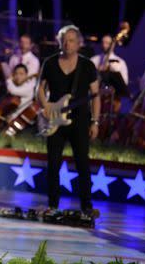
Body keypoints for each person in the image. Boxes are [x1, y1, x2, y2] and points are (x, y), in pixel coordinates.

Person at [36, 25, 100, 215]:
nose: (67, 43)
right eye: (64, 39)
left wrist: (95, 122)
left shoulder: (87, 66)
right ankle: (53, 204)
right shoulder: (49, 62)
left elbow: (96, 95)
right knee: (53, 163)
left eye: (71, 40)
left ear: (79, 43)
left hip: (80, 120)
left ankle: (86, 206)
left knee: (82, 163)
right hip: (55, 119)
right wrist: (45, 104)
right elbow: (40, 88)